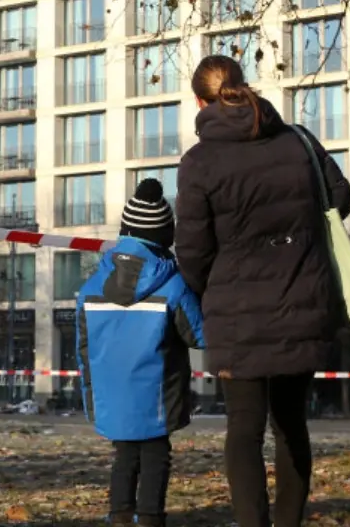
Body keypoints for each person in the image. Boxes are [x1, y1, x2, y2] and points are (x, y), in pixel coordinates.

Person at [174, 55, 350, 527]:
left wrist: (212, 289)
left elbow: (191, 249)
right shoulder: (297, 140)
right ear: (244, 86)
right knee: (291, 423)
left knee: (244, 430)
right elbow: (341, 197)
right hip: (303, 300)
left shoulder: (199, 162)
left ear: (199, 100)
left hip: (237, 313)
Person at [77, 178, 205, 527]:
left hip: (112, 391)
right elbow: (198, 336)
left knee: (124, 454)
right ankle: (149, 517)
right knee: (155, 455)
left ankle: (119, 515)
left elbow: (83, 347)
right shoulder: (173, 283)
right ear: (166, 236)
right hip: (157, 393)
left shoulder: (90, 287)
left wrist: (92, 392)